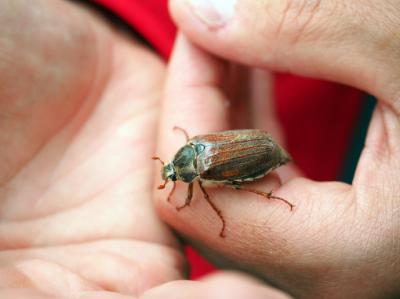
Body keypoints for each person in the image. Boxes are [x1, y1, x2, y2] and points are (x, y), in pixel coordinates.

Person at [0, 0, 399, 298]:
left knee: (239, 186)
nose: (173, 175)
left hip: (272, 146)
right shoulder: (193, 148)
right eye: (173, 173)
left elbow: (212, 193)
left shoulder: (202, 169)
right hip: (288, 136)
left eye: (173, 173)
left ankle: (267, 194)